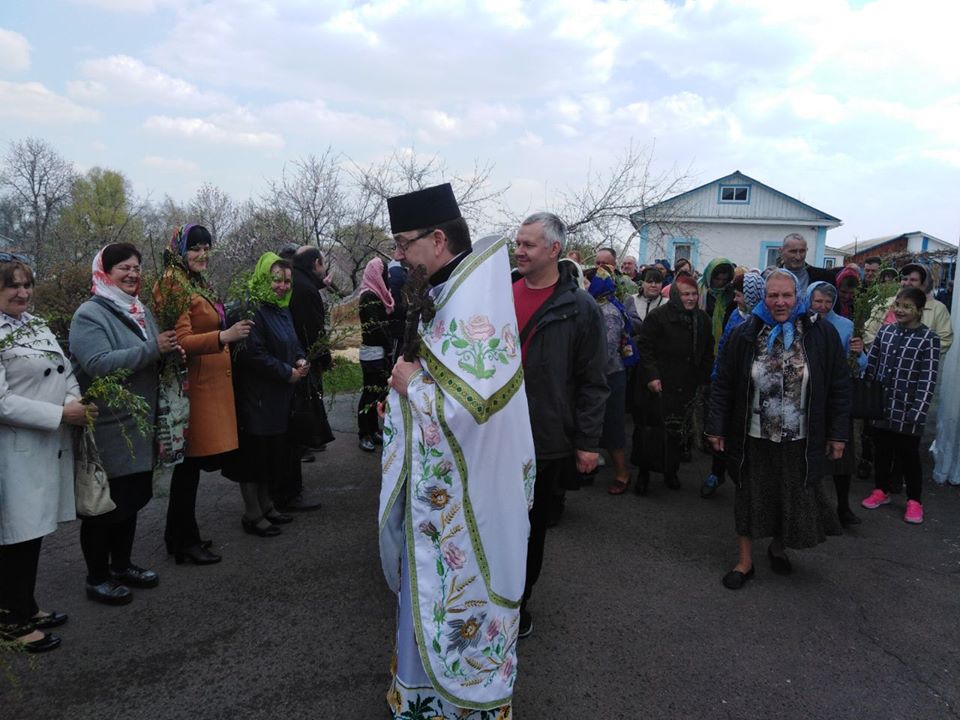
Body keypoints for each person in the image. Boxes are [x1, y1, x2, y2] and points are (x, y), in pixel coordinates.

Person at [379, 184, 534, 719]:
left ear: (438, 238)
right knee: (426, 593)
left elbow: (474, 410)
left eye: (403, 244)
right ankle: (421, 702)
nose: (399, 257)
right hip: (439, 494)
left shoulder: (474, 302)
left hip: (473, 496)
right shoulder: (445, 290)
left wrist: (410, 389)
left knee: (458, 596)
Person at [706, 269, 849, 590]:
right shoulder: (745, 333)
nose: (779, 302)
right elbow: (723, 384)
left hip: (799, 436)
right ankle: (745, 561)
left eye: (786, 295)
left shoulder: (820, 334)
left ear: (798, 297)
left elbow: (840, 385)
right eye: (773, 295)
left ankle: (777, 546)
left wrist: (838, 434)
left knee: (789, 494)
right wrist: (716, 426)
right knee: (748, 496)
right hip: (753, 434)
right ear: (764, 297)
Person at [70, 243, 177, 605]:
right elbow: (98, 363)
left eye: (136, 267)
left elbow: (152, 351)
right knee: (106, 505)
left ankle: (122, 565)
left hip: (138, 422)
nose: (132, 274)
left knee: (130, 500)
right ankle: (97, 577)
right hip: (109, 426)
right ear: (105, 272)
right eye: (123, 269)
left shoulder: (138, 309)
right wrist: (153, 351)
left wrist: (166, 353)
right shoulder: (90, 314)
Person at [514, 213, 606, 629]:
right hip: (494, 434)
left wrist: (587, 443)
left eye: (529, 244)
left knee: (530, 529)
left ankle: (518, 604)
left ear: (553, 250)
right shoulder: (501, 294)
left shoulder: (580, 307)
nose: (519, 251)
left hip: (545, 440)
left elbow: (593, 381)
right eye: (518, 243)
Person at [0, 254, 96, 651]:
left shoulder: (36, 325)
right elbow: (1, 402)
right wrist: (59, 413)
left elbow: (66, 370)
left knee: (33, 532)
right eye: (12, 286)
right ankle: (10, 624)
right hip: (15, 449)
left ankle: (26, 605)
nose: (22, 292)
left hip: (47, 443)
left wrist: (75, 401)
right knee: (14, 536)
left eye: (26, 284)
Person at [155, 224, 253, 565]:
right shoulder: (172, 282)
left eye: (206, 248)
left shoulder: (193, 282)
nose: (201, 254)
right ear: (179, 250)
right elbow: (179, 339)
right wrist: (223, 337)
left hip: (210, 386)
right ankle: (184, 542)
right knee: (188, 470)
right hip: (194, 391)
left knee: (191, 471)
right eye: (194, 248)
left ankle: (181, 536)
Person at [225, 252, 309, 537]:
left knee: (270, 455)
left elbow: (293, 341)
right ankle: (252, 513)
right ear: (263, 277)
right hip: (255, 397)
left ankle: (267, 505)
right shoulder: (250, 309)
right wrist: (287, 372)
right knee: (253, 458)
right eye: (276, 280)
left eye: (287, 281)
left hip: (277, 397)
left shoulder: (280, 308)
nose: (283, 286)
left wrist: (299, 360)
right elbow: (252, 355)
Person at [860, 287, 939, 524]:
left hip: (909, 408)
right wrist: (867, 397)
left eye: (907, 307)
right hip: (882, 405)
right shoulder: (885, 332)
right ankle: (881, 490)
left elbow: (928, 377)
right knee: (882, 451)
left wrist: (918, 409)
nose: (900, 310)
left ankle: (914, 501)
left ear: (919, 310)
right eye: (898, 305)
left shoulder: (929, 339)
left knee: (909, 456)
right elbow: (872, 365)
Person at [632, 274, 713, 494]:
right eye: (686, 294)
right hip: (657, 385)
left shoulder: (702, 320)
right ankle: (644, 474)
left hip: (685, 385)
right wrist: (651, 375)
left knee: (677, 431)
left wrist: (703, 381)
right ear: (676, 295)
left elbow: (707, 352)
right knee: (650, 431)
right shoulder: (659, 317)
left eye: (694, 294)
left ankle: (671, 471)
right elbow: (645, 348)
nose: (691, 298)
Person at [806, 281, 866, 527]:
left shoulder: (845, 325)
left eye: (828, 302)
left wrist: (859, 352)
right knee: (811, 455)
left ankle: (843, 507)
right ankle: (813, 508)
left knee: (843, 454)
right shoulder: (801, 324)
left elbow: (860, 364)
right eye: (817, 301)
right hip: (809, 396)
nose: (823, 306)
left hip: (836, 395)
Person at [701, 270, 765, 498]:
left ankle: (750, 483)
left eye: (739, 295)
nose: (736, 299)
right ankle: (716, 473)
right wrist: (717, 375)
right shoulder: (736, 315)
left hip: (754, 389)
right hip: (731, 384)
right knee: (723, 432)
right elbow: (724, 347)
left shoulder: (766, 322)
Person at [287, 245, 334, 508]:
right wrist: (324, 357)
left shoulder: (300, 284)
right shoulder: (306, 290)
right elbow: (313, 330)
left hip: (296, 359)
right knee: (305, 414)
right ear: (316, 263)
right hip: (304, 362)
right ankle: (292, 489)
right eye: (323, 263)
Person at [586, 267, 637, 495]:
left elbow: (605, 353)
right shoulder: (601, 305)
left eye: (588, 283)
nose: (584, 286)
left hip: (609, 377)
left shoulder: (607, 312)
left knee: (612, 425)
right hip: (604, 376)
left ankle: (622, 472)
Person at [863, 263, 952, 354]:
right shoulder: (885, 304)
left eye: (913, 280)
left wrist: (911, 352)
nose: (907, 283)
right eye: (904, 279)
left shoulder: (938, 308)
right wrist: (882, 349)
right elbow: (868, 331)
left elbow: (945, 340)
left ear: (924, 283)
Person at [357, 256, 393, 452]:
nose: (385, 277)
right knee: (369, 393)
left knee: (378, 392)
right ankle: (364, 433)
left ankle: (373, 430)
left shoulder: (375, 294)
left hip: (379, 352)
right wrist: (388, 346)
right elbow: (375, 328)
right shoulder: (369, 296)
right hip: (372, 353)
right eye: (383, 273)